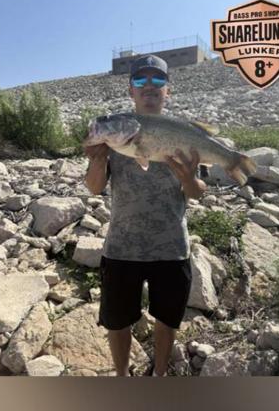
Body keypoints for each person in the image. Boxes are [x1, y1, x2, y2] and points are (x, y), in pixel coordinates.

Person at [83, 54, 207, 376]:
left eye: (158, 80)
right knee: (117, 321)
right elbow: (94, 188)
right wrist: (97, 160)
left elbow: (197, 193)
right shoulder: (116, 133)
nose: (149, 86)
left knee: (167, 319)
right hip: (122, 248)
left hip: (172, 248)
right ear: (131, 90)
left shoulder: (183, 133)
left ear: (168, 90)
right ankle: (123, 377)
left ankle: (160, 374)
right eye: (140, 80)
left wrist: (188, 179)